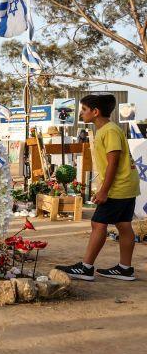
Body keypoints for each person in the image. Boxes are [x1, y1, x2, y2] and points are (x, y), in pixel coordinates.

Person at [57, 94, 139, 281]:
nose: (81, 114)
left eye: (84, 110)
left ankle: (86, 267)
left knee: (98, 223)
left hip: (118, 186)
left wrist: (104, 190)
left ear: (95, 112)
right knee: (124, 224)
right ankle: (125, 269)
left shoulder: (108, 131)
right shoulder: (108, 130)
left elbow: (114, 161)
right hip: (127, 184)